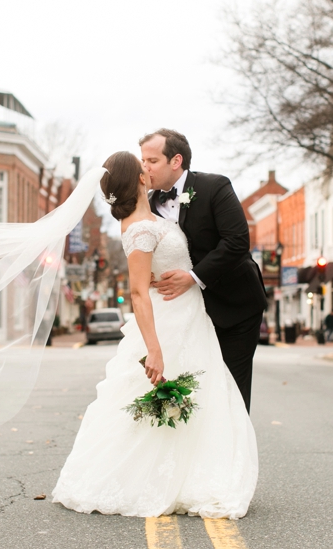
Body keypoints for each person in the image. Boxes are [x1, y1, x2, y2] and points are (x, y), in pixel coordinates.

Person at [51, 152, 258, 518]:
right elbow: (136, 292)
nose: (148, 168)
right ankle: (148, 479)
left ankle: (190, 474)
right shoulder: (140, 227)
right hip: (168, 322)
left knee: (204, 396)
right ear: (139, 180)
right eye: (142, 164)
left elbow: (152, 269)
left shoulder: (151, 218)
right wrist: (153, 349)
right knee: (168, 395)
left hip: (193, 317)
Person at [139, 129, 267, 412]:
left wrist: (193, 278)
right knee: (196, 394)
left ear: (176, 161)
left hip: (235, 307)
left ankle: (235, 454)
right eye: (142, 160)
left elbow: (237, 241)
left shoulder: (214, 187)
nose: (144, 167)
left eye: (151, 160)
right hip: (186, 315)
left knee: (231, 389)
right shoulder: (146, 205)